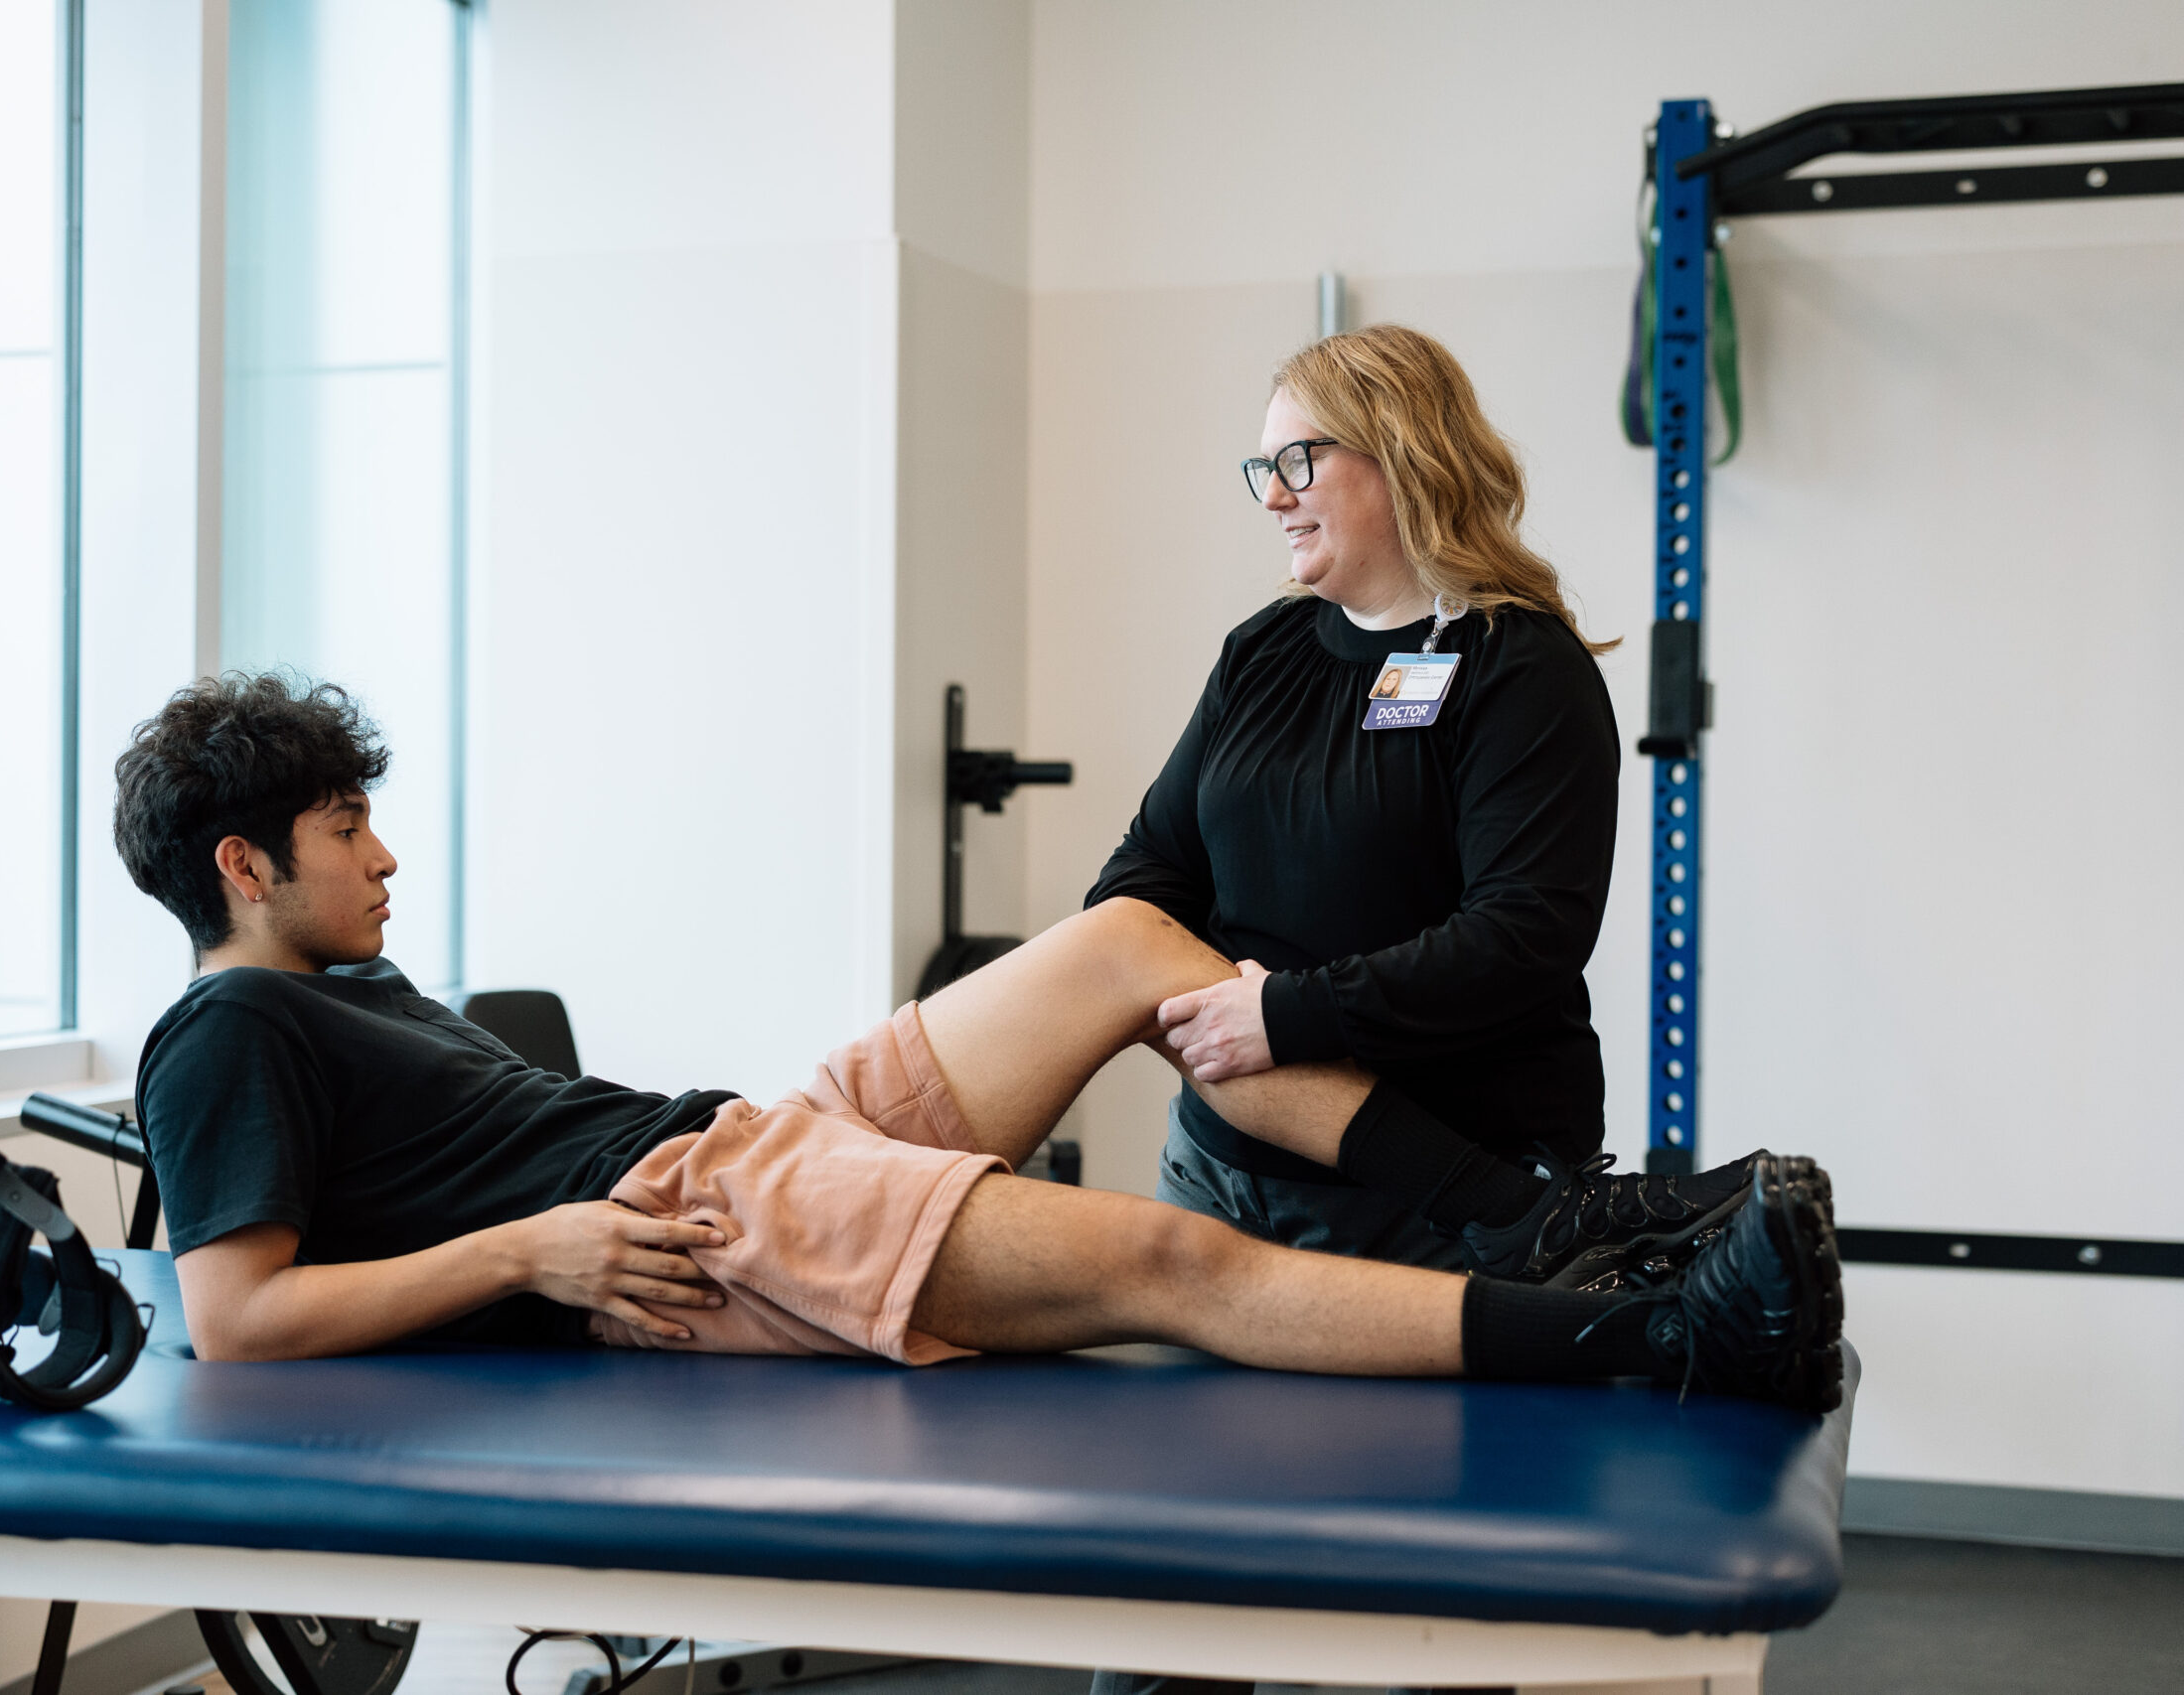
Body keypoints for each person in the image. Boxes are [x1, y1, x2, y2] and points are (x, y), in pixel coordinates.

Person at [114, 673, 1842, 1416]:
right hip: (698, 1220)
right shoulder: (225, 1026)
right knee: (1174, 1257)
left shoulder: (341, 989)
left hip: (750, 1138)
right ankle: (1659, 1337)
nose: (385, 855)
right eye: (345, 829)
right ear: (244, 867)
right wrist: (534, 1250)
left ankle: (1541, 1216)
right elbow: (236, 1315)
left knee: (1129, 943)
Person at [1092, 324, 1753, 1282]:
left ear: (1403, 454)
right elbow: (1142, 876)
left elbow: (1523, 936)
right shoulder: (1263, 652)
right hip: (1220, 1178)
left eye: (1298, 461)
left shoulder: (1521, 668)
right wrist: (1212, 1004)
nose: (1273, 495)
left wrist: (1285, 1014)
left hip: (1443, 1204)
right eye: (1264, 468)